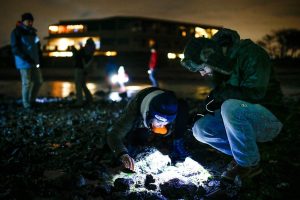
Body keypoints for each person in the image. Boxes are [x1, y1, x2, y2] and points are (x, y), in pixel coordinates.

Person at [181, 28, 283, 181]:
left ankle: (248, 165)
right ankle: (246, 154)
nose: (202, 74)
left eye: (202, 68)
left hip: (269, 118)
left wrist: (220, 95)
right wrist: (199, 111)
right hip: (242, 115)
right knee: (200, 129)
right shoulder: (220, 67)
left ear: (211, 58)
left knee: (231, 107)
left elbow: (255, 94)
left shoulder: (252, 54)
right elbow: (220, 96)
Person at [106, 87, 189, 171]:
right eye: (159, 122)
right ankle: (134, 148)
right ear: (149, 115)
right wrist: (122, 154)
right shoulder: (133, 110)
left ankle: (176, 143)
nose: (161, 126)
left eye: (165, 123)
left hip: (159, 118)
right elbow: (113, 135)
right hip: (140, 119)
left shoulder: (174, 106)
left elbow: (173, 122)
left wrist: (176, 138)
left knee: (182, 111)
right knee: (137, 137)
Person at [10, 12, 43, 109]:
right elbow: (15, 48)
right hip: (23, 62)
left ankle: (31, 100)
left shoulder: (33, 32)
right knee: (26, 83)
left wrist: (39, 56)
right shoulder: (16, 32)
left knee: (39, 81)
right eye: (28, 21)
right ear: (23, 21)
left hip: (34, 61)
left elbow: (37, 45)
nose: (30, 23)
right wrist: (26, 58)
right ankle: (26, 103)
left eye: (31, 21)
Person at [72, 38, 96, 106]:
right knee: (82, 85)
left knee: (78, 85)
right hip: (84, 69)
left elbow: (80, 58)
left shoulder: (85, 50)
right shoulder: (91, 51)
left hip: (79, 68)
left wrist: (74, 50)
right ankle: (89, 99)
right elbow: (88, 60)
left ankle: (80, 101)